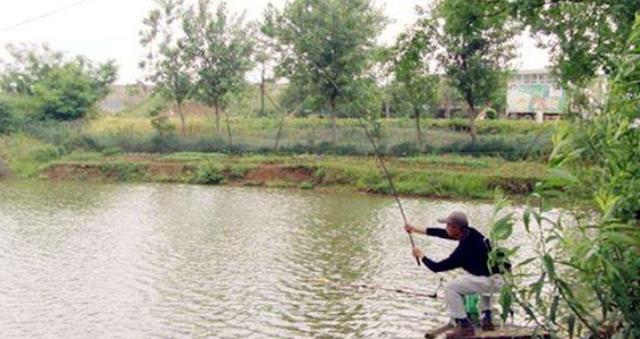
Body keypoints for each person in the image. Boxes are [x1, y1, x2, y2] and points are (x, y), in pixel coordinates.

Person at [405, 211, 510, 338]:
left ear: (455, 228)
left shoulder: (463, 251)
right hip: (506, 280)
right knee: (478, 276)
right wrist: (415, 229)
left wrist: (421, 255)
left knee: (451, 287)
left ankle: (464, 326)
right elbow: (443, 233)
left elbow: (437, 267)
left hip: (492, 283)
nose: (445, 228)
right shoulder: (471, 233)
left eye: (447, 225)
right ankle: (486, 318)